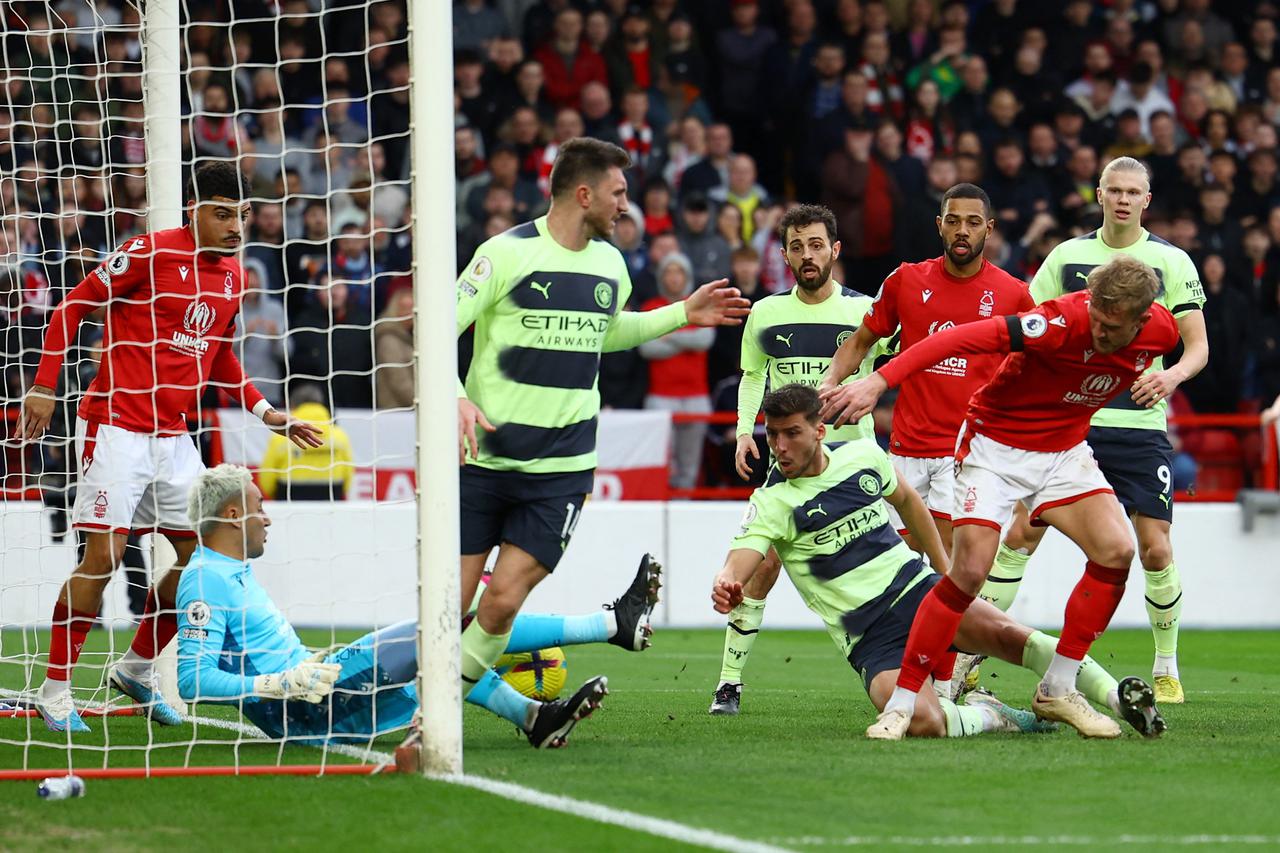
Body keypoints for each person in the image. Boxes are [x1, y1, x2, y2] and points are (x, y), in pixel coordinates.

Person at [454, 138, 748, 735]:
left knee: (501, 603)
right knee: (447, 609)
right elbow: (436, 326)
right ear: (584, 194)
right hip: (484, 459)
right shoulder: (503, 254)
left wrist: (681, 313)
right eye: (618, 192)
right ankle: (504, 712)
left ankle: (423, 715)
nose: (625, 205)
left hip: (562, 466)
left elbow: (605, 332)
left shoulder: (611, 264)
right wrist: (455, 396)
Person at [16, 161, 322, 734]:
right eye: (223, 214)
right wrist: (44, 385)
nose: (236, 227)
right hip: (116, 428)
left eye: (242, 215)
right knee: (103, 558)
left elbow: (219, 353)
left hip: (173, 437)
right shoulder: (149, 252)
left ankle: (135, 667)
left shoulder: (234, 277)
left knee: (199, 559)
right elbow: (72, 306)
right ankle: (55, 690)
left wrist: (265, 412)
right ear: (194, 210)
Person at [828, 254, 1179, 740]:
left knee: (1117, 552)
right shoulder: (1057, 322)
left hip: (1062, 451)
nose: (1098, 331)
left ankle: (1058, 688)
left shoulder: (1162, 332)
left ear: (1141, 321)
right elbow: (956, 339)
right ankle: (903, 703)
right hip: (994, 447)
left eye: (1111, 326)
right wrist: (879, 380)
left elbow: (1191, 346)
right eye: (1095, 317)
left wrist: (1173, 378)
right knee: (969, 572)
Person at [711, 385, 1161, 740]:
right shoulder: (771, 503)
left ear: (819, 431)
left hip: (916, 591)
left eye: (791, 433)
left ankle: (1120, 701)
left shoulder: (863, 457)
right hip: (869, 636)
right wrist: (728, 582)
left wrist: (945, 575)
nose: (780, 446)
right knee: (924, 721)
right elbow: (740, 561)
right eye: (772, 434)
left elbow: (909, 502)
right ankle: (993, 715)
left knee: (1013, 637)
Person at [175, 465, 659, 748]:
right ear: (233, 515)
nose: (267, 518)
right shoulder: (205, 580)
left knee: (445, 643)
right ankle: (611, 625)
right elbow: (192, 681)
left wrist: (293, 670)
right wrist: (276, 683)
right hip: (301, 708)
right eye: (259, 507)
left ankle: (536, 718)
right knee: (441, 627)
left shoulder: (224, 570)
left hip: (313, 683)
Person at [979, 157, 1209, 705]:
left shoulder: (1171, 261)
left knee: (1155, 550)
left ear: (1147, 200)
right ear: (1099, 194)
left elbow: (1197, 346)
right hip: (1070, 426)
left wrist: (1171, 376)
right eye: (1115, 190)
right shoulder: (1066, 257)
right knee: (1021, 536)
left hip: (1138, 427)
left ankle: (1166, 666)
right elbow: (1032, 329)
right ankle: (969, 659)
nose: (1123, 199)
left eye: (1133, 192)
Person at [820, 182, 1034, 695]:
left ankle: (949, 676)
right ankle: (917, 664)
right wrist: (827, 386)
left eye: (973, 222)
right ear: (939, 225)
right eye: (953, 220)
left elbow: (1034, 368)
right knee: (894, 563)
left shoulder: (1013, 295)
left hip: (967, 455)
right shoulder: (906, 280)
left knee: (952, 567)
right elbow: (861, 341)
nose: (962, 230)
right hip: (905, 451)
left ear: (989, 229)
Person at [709, 203, 889, 716]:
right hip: (786, 463)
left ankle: (917, 673)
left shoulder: (866, 312)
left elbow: (897, 367)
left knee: (879, 574)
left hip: (853, 464)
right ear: (784, 255)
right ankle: (728, 683)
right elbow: (753, 377)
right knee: (762, 565)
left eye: (816, 245)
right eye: (796, 247)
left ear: (835, 250)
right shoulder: (766, 313)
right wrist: (743, 432)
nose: (807, 255)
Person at [257, 384, 355, 501]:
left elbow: (267, 476)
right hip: (331, 498)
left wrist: (276, 496)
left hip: (289, 499)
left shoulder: (282, 436)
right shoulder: (340, 435)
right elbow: (348, 473)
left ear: (292, 406)